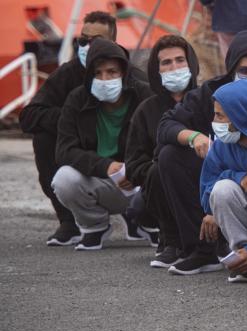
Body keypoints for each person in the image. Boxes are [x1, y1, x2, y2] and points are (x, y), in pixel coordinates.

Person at [156, 30, 247, 276]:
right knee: (169, 156)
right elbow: (166, 126)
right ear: (230, 70)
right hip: (223, 174)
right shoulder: (212, 92)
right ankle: (203, 249)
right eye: (244, 70)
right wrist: (194, 137)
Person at [19, 11, 146, 246]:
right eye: (82, 40)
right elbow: (28, 116)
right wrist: (72, 120)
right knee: (45, 140)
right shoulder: (70, 76)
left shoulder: (138, 85)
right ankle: (70, 220)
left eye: (95, 41)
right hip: (86, 159)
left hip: (129, 169)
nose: (87, 46)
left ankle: (142, 214)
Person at [51, 38, 154, 251]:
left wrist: (135, 171)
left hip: (142, 182)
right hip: (100, 180)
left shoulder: (144, 94)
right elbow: (64, 150)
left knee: (165, 170)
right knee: (63, 178)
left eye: (111, 72)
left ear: (124, 73)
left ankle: (151, 221)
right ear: (89, 76)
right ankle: (94, 226)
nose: (104, 79)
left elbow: (158, 141)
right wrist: (105, 166)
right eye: (97, 73)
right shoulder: (77, 99)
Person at [124, 35, 200, 267]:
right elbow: (134, 163)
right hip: (160, 189)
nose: (174, 67)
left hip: (202, 179)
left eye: (180, 60)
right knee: (161, 168)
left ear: (192, 64)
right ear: (156, 69)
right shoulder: (146, 110)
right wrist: (163, 169)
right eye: (166, 63)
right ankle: (172, 241)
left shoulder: (207, 101)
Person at [200, 77, 247, 282]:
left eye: (220, 116)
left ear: (240, 116)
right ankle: (242, 259)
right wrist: (235, 176)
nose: (214, 121)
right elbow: (206, 188)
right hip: (246, 216)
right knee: (221, 189)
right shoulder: (221, 145)